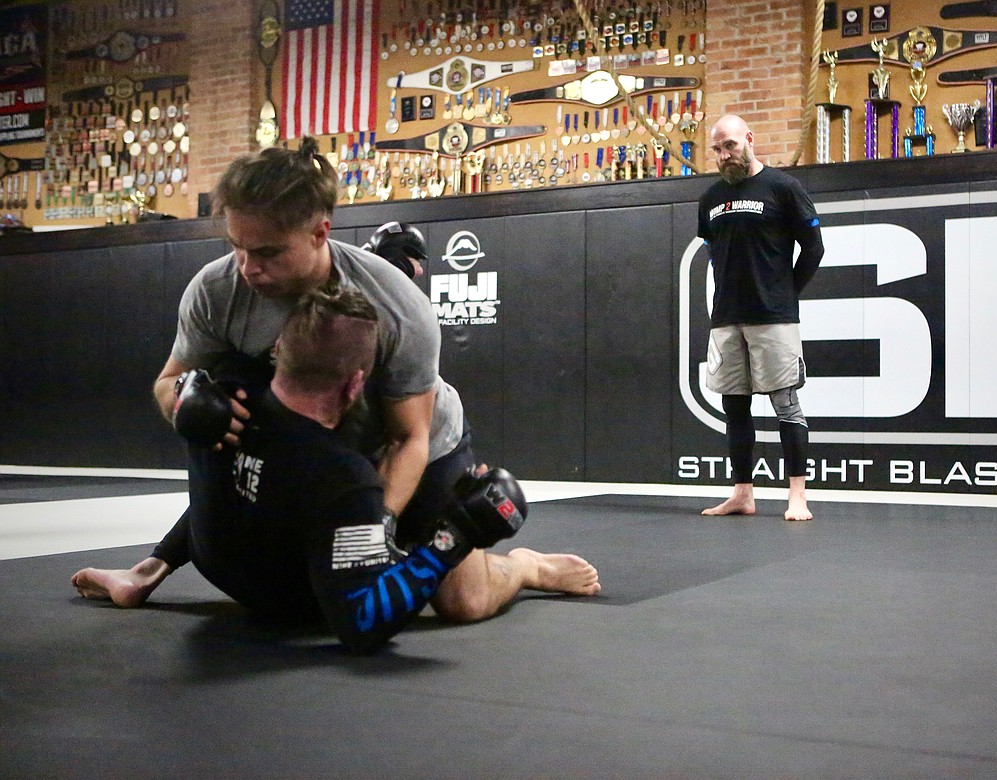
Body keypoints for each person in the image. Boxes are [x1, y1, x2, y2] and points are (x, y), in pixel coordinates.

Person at [71, 137, 600, 622]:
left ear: (320, 232)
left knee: (464, 603)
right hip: (318, 440)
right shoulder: (217, 289)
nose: (248, 267)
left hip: (415, 444)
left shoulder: (397, 307)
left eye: (269, 251)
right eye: (238, 246)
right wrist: (186, 401)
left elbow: (408, 437)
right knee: (225, 407)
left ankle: (525, 567)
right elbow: (170, 381)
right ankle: (151, 568)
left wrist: (376, 529)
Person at [76, 289, 528, 653]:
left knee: (250, 478)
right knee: (455, 593)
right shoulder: (346, 476)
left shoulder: (226, 395)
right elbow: (361, 623)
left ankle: (147, 571)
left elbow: (235, 484)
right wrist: (453, 539)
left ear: (277, 350)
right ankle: (526, 568)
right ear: (356, 384)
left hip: (221, 567)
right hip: (292, 600)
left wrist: (182, 393)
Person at [696, 114, 825, 521]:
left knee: (786, 405)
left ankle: (797, 497)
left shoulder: (784, 187)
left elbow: (814, 248)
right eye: (717, 149)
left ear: (749, 139)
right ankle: (742, 493)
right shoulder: (710, 199)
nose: (724, 155)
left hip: (773, 317)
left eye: (730, 145)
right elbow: (715, 254)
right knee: (734, 408)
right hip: (727, 319)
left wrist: (786, 294)